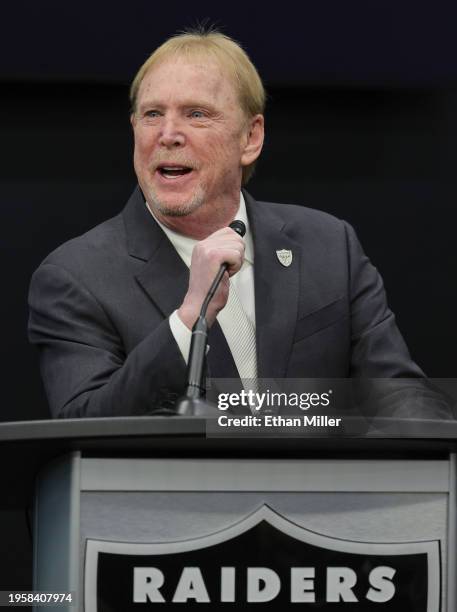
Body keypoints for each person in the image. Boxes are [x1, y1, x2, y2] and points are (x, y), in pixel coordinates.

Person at [27, 29, 450, 419]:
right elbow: (83, 427)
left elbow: (398, 395)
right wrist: (188, 319)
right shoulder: (76, 277)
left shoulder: (328, 246)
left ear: (250, 138)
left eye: (196, 114)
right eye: (152, 114)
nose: (168, 134)